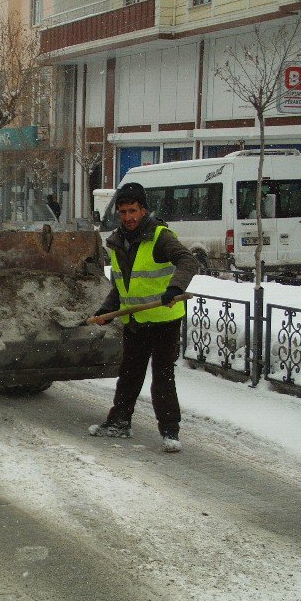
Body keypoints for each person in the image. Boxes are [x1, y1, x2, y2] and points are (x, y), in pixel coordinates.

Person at [88, 181, 198, 453]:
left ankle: (170, 431)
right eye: (123, 212)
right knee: (130, 374)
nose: (128, 217)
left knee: (162, 376)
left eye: (133, 210)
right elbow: (121, 286)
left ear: (144, 209)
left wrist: (175, 288)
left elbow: (188, 261)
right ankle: (119, 422)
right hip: (135, 321)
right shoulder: (116, 241)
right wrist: (105, 311)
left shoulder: (160, 236)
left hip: (164, 320)